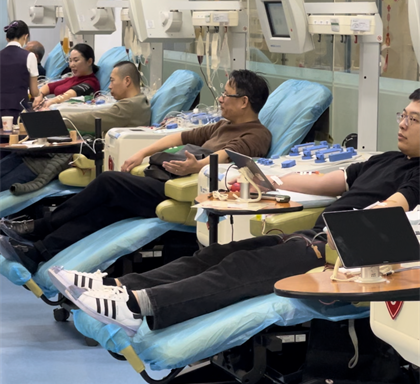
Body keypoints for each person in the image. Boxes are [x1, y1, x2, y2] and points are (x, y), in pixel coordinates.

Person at [28, 89, 420, 335]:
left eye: (413, 119)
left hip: (338, 257)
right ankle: (117, 287)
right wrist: (268, 178)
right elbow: (328, 182)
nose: (402, 124)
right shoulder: (385, 159)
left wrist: (350, 232)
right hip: (308, 239)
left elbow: (393, 207)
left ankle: (138, 308)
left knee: (238, 270)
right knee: (215, 255)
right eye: (402, 115)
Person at [0, 70, 271, 269]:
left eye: (226, 94)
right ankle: (38, 252)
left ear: (244, 101)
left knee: (109, 181)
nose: (220, 99)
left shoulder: (257, 134)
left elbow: (228, 155)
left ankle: (40, 226)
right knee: (105, 210)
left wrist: (197, 165)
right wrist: (142, 152)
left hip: (188, 194)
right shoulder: (223, 125)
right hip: (168, 182)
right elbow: (180, 136)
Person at [0, 61, 151, 192]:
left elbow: (93, 118)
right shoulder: (136, 102)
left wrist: (56, 119)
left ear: (127, 81)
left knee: (9, 176)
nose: (109, 86)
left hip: (66, 157)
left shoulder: (131, 106)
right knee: (16, 158)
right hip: (59, 152)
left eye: (112, 81)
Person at [32, 43, 100, 110]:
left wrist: (51, 102)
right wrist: (39, 96)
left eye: (76, 60)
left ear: (89, 61)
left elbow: (69, 95)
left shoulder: (91, 83)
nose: (71, 65)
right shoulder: (72, 79)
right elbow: (49, 86)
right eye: (70, 61)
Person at [0, 20, 39, 123]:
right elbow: (34, 92)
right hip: (18, 109)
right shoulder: (29, 56)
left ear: (7, 38)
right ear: (25, 37)